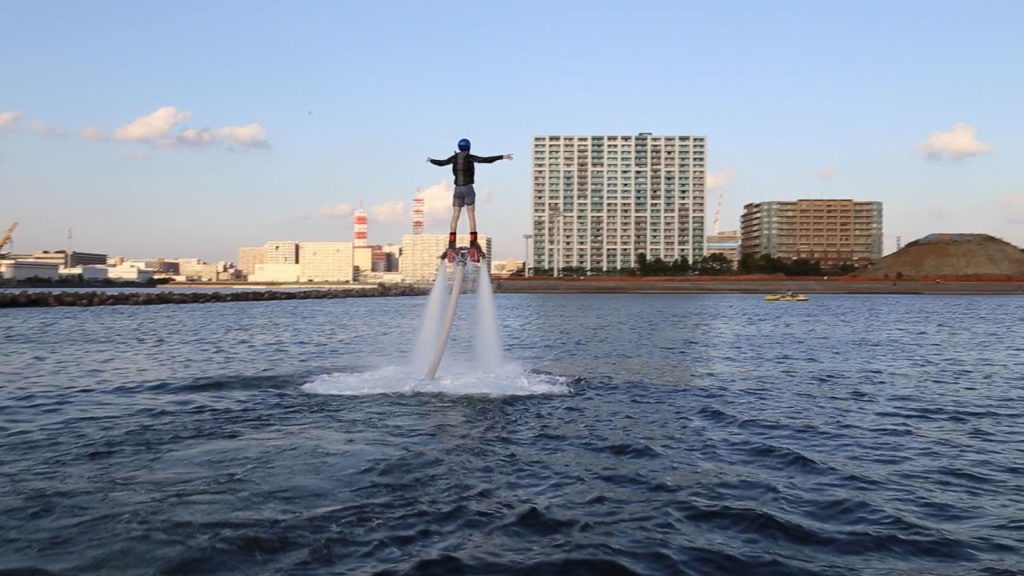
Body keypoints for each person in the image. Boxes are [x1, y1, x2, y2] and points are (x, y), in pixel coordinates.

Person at [427, 138, 512, 261]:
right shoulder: (470, 157)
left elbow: (442, 163)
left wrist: (431, 160)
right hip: (468, 188)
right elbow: (485, 160)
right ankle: (473, 244)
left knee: (455, 216)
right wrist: (502, 156)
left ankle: (451, 245)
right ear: (469, 147)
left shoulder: (454, 158)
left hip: (457, 189)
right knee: (471, 215)